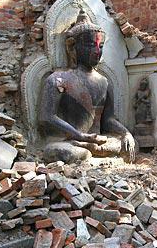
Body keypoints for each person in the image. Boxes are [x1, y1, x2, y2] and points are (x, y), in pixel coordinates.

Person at [38, 9, 136, 163]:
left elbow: (107, 120)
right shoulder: (58, 79)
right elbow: (47, 117)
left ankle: (93, 151)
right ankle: (92, 152)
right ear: (72, 47)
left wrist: (126, 133)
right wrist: (79, 135)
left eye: (101, 46)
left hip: (95, 140)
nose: (97, 51)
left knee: (124, 144)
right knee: (62, 151)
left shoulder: (104, 82)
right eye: (91, 45)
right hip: (68, 141)